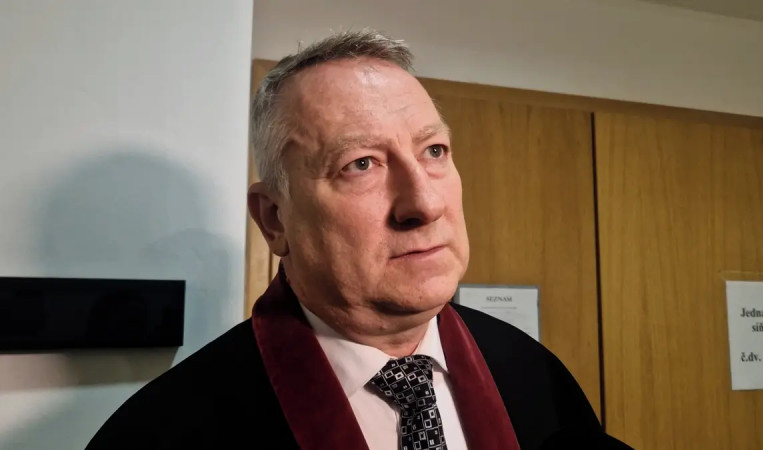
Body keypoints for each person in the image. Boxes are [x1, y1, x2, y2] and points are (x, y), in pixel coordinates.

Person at [86, 29, 621, 450]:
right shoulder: (162, 431)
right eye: (360, 164)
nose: (425, 204)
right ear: (274, 219)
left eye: (434, 151)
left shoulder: (532, 373)